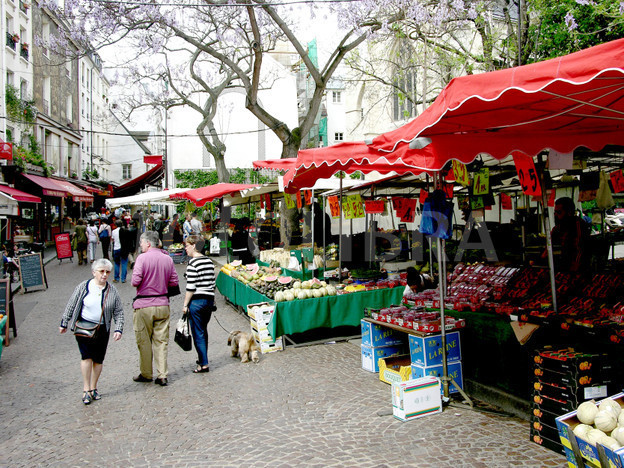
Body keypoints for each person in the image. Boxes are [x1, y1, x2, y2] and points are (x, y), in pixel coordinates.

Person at [59, 259, 124, 405]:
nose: (104, 275)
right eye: (101, 271)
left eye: (107, 272)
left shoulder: (112, 290)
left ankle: (94, 387)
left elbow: (119, 311)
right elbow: (71, 304)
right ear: (94, 272)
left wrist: (118, 328)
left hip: (102, 329)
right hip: (84, 327)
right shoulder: (83, 286)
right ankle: (86, 389)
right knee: (86, 357)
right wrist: (64, 322)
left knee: (98, 359)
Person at [131, 231, 179, 386]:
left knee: (144, 341)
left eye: (142, 243)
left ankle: (146, 373)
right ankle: (162, 375)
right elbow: (174, 281)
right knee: (161, 341)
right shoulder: (167, 259)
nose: (140, 245)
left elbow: (135, 281)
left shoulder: (142, 258)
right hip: (163, 304)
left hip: (144, 305)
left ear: (148, 243)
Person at [182, 235, 215, 373]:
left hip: (197, 301)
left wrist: (185, 305)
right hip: (209, 300)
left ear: (194, 245)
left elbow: (191, 287)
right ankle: (203, 358)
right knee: (203, 331)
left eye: (187, 245)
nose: (185, 248)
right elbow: (212, 282)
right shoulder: (208, 261)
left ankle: (203, 363)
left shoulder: (193, 263)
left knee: (198, 332)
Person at [550, 196, 590, 273]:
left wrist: (575, 266)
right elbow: (549, 245)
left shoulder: (578, 224)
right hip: (561, 266)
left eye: (559, 212)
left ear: (569, 212)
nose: (555, 215)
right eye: (555, 212)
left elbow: (580, 247)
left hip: (577, 268)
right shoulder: (557, 228)